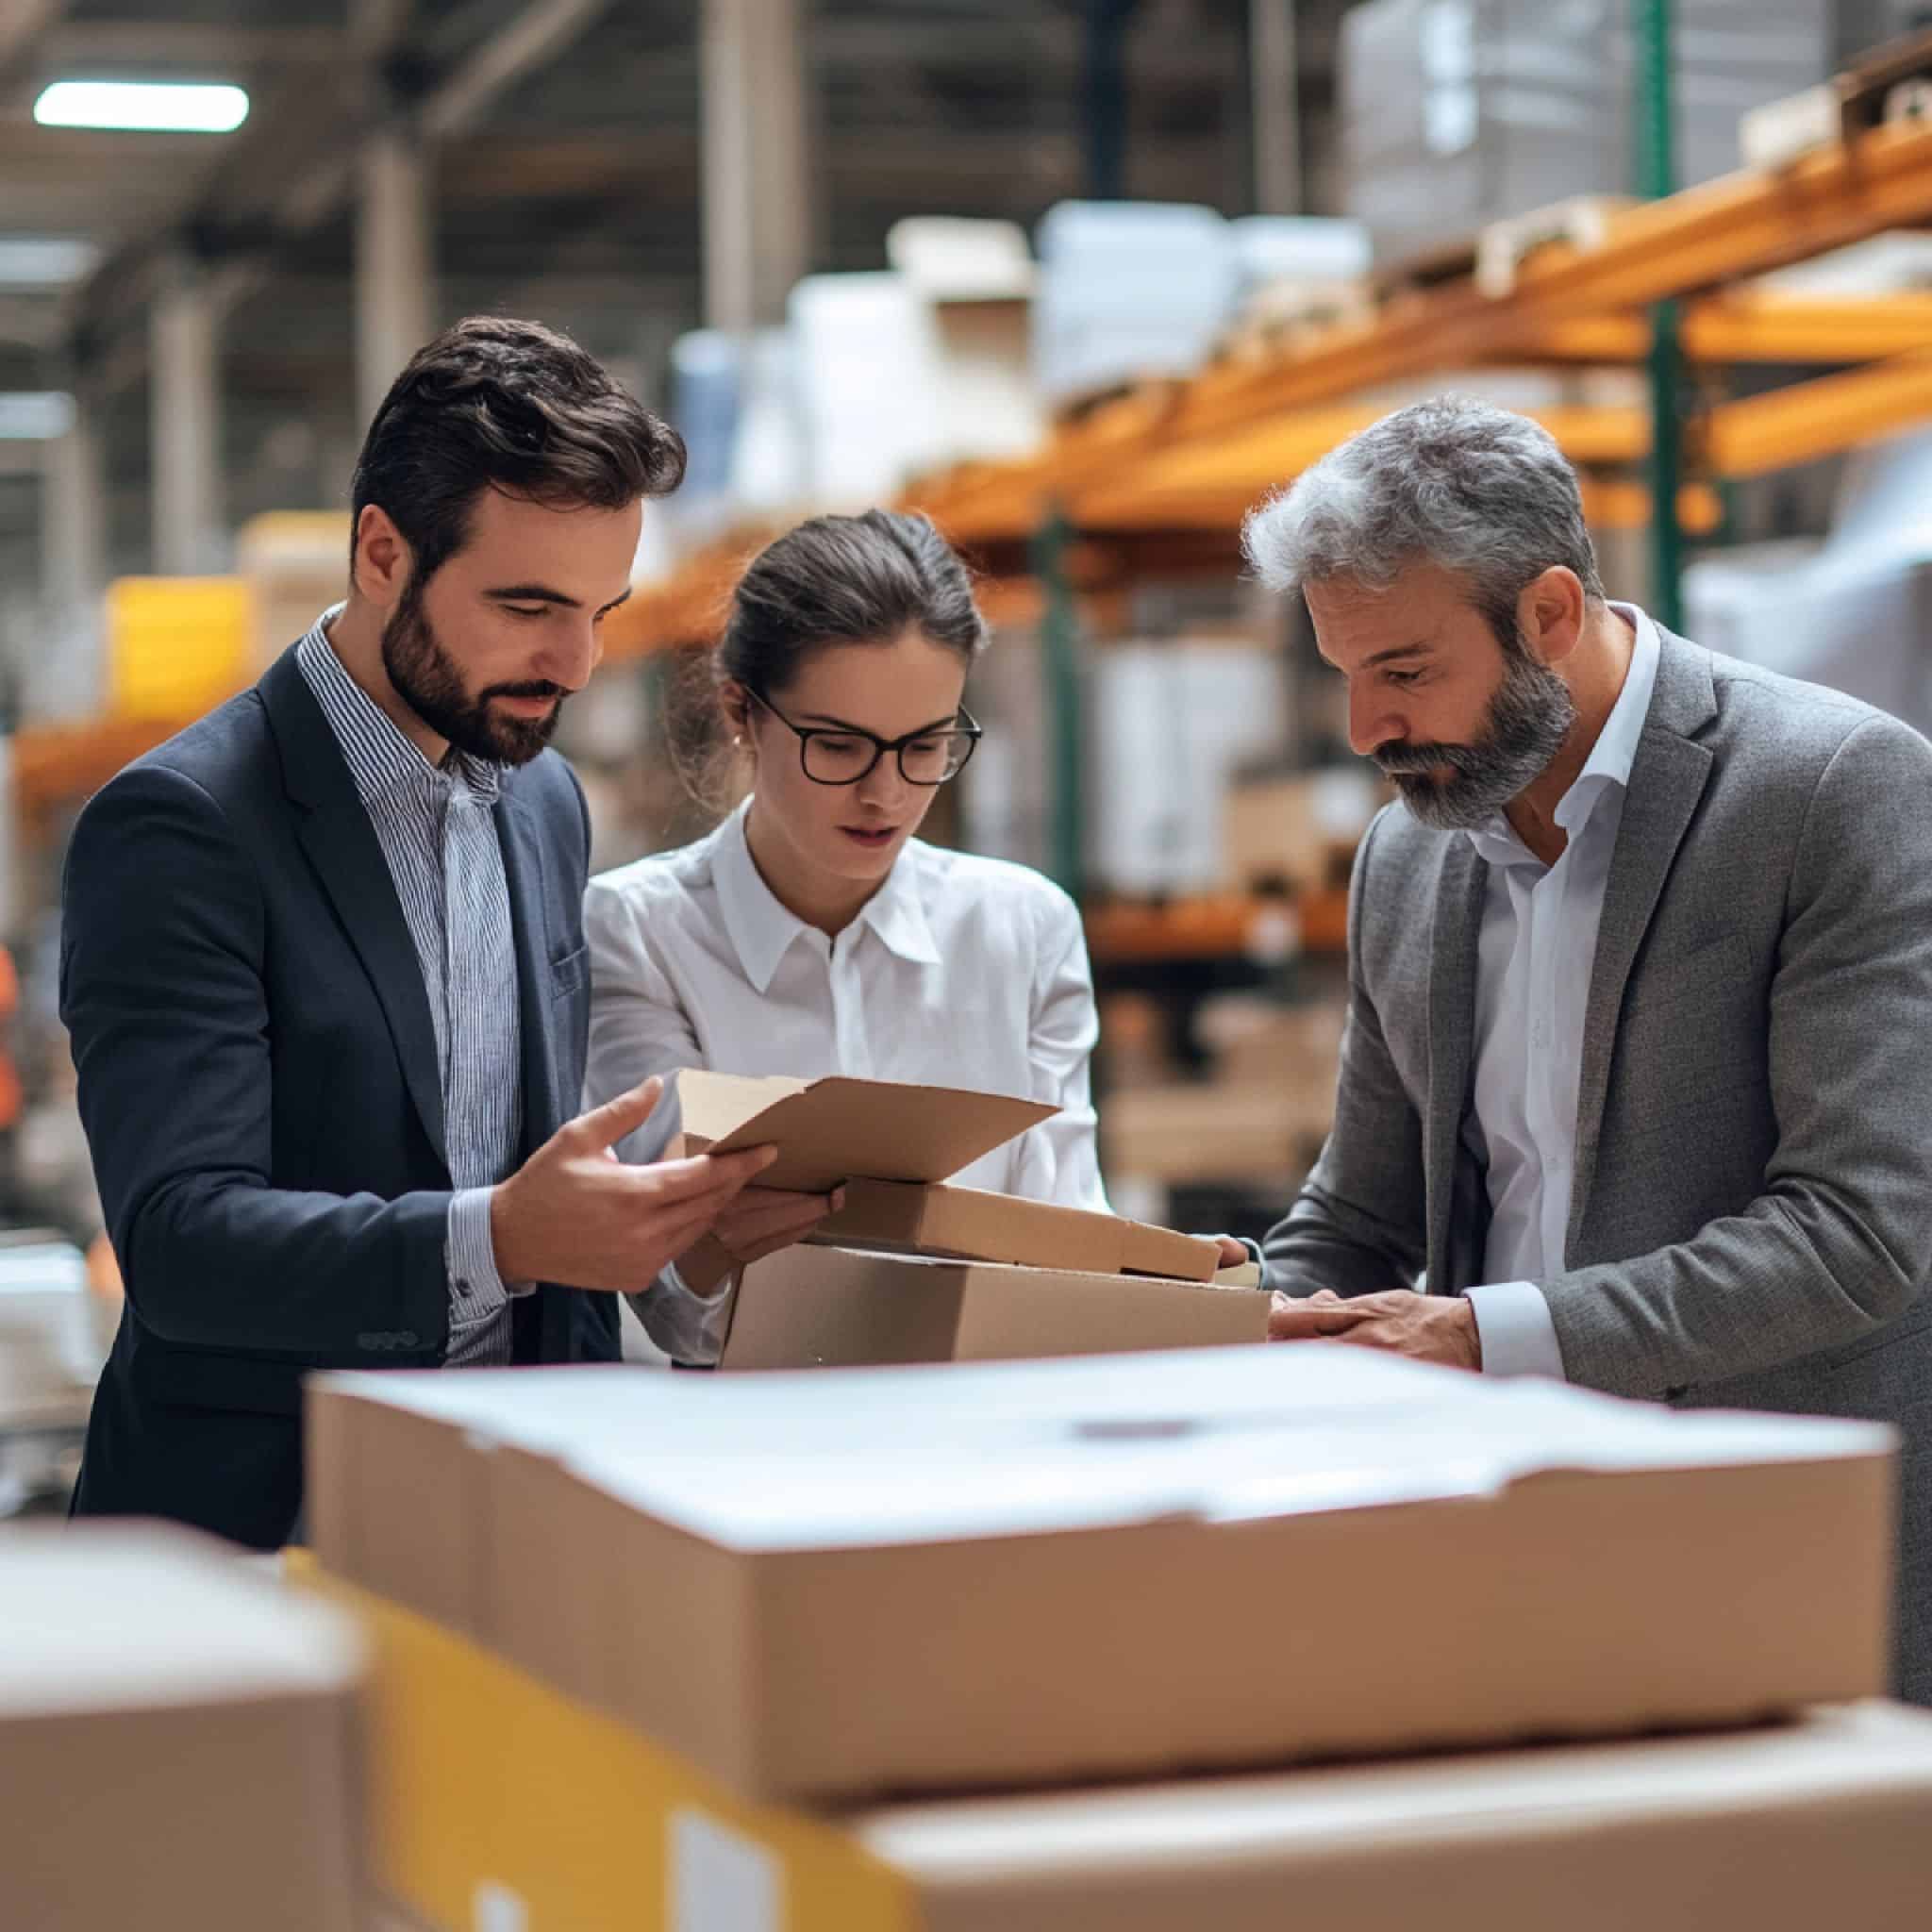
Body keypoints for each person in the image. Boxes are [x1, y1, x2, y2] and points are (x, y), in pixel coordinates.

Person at [1244, 394, 1932, 1699]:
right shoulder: (1408, 856)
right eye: (1345, 675)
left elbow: (1861, 1234)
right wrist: (1227, 1309)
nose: (1364, 730)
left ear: (1551, 614)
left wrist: (1479, 1336)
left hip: (1776, 1549)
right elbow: (1365, 1208)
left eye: (1403, 671)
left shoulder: (1833, 793)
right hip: (1504, 1536)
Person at [61, 316, 778, 1548]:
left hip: (514, 1523)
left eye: (602, 608)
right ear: (382, 553)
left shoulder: (545, 801)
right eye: (528, 605)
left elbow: (528, 1156)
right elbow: (182, 1243)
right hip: (263, 1534)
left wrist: (678, 1227)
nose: (578, 660)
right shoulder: (184, 826)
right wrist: (498, 1237)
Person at [585, 509, 1244, 1361]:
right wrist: (711, 1251)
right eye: (839, 746)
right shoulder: (635, 931)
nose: (886, 794)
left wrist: (1157, 1281)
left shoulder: (1022, 927)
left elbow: (1066, 1240)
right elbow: (669, 1308)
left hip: (982, 1430)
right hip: (741, 1449)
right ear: (741, 713)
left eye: (925, 745)